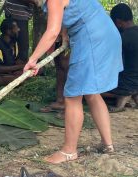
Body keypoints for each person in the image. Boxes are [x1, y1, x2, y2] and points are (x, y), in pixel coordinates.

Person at [23, 0, 123, 164]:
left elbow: (51, 32)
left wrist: (33, 59)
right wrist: (65, 33)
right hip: (105, 34)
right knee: (91, 92)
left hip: (92, 39)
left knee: (72, 96)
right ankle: (108, 145)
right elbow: (67, 17)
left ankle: (69, 151)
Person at [105, 3, 138, 112]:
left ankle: (124, 96)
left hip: (127, 83)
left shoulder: (122, 38)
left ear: (118, 22)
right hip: (134, 80)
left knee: (89, 92)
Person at [0, 18, 25, 86]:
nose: (18, 29)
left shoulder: (14, 42)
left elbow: (16, 60)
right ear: (8, 31)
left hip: (11, 73)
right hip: (0, 75)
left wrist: (27, 64)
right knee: (19, 80)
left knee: (36, 70)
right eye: (16, 28)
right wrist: (19, 66)